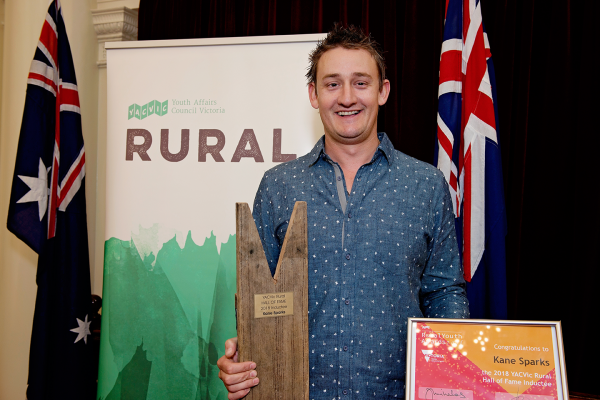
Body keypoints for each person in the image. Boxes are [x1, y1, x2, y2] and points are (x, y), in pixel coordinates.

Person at [217, 25, 469, 400]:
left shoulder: (427, 186)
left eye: (361, 83)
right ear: (313, 94)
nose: (347, 97)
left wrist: (452, 377)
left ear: (383, 91)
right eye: (332, 84)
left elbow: (444, 292)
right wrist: (244, 357)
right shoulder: (278, 186)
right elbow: (257, 299)